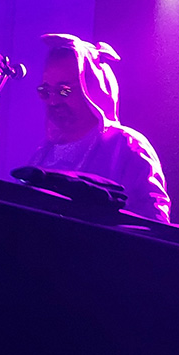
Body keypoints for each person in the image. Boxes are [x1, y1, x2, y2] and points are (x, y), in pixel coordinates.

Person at [27, 33, 171, 223]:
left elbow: (154, 224)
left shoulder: (126, 147)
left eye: (64, 90)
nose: (53, 101)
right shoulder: (44, 153)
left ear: (92, 88)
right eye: (45, 91)